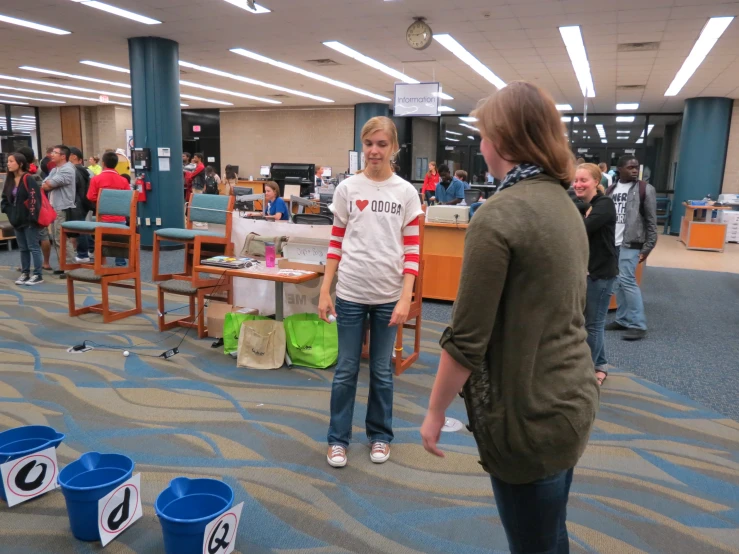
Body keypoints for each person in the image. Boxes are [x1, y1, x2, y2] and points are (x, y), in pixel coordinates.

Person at [420, 81, 598, 554]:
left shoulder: (499, 215)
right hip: (571, 399)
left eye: (483, 134)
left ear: (503, 139)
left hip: (528, 418)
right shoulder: (565, 203)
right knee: (549, 534)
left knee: (534, 544)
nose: (480, 144)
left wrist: (435, 412)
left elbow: (466, 339)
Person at [320, 116, 423, 469]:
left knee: (381, 371)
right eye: (369, 144)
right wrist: (325, 289)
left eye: (381, 144)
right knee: (346, 370)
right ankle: (337, 440)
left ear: (394, 148)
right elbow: (335, 244)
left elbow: (412, 252)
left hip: (388, 296)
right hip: (350, 291)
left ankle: (380, 435)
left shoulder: (406, 193)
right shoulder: (348, 189)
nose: (374, 151)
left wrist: (406, 296)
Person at [574, 163, 618, 386]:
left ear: (596, 182)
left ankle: (591, 370)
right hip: (588, 271)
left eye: (583, 180)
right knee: (588, 322)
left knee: (594, 324)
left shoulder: (605, 204)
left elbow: (580, 229)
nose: (578, 184)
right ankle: (599, 364)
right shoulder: (586, 204)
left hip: (601, 273)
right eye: (576, 180)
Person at [605, 156, 657, 341]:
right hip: (613, 243)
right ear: (619, 169)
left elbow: (651, 221)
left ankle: (638, 324)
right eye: (630, 167)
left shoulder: (645, 189)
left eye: (636, 167)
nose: (635, 170)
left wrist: (648, 247)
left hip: (632, 243)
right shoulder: (611, 189)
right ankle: (623, 319)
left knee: (627, 281)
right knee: (618, 283)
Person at [1, 153, 44, 285]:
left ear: (20, 163)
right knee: (23, 248)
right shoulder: (9, 179)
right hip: (16, 220)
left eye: (11, 161)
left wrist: (32, 218)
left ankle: (38, 274)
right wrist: (10, 213)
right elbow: (5, 199)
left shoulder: (28, 178)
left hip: (29, 219)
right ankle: (25, 272)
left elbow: (34, 200)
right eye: (8, 161)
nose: (8, 164)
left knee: (33, 247)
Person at [87, 151, 131, 267]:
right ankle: (120, 263)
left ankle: (102, 263)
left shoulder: (96, 179)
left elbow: (90, 196)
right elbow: (128, 198)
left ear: (103, 163)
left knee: (100, 240)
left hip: (102, 219)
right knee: (119, 240)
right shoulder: (123, 180)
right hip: (120, 219)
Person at [17, 146, 53, 272]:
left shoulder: (23, 174)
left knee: (29, 239)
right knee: (43, 236)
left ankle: (27, 265)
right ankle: (46, 262)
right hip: (39, 206)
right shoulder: (37, 171)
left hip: (30, 208)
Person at [42, 145, 77, 269]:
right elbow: (44, 184)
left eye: (55, 152)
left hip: (62, 207)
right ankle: (63, 266)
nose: (52, 154)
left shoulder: (68, 169)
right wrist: (48, 184)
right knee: (56, 238)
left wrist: (48, 184)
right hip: (53, 207)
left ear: (63, 156)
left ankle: (70, 266)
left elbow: (49, 184)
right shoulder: (55, 169)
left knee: (61, 238)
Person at [69, 147, 94, 263]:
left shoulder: (74, 171)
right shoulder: (87, 171)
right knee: (83, 226)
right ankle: (88, 250)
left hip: (79, 202)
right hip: (86, 202)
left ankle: (83, 254)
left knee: (81, 228)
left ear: (74, 156)